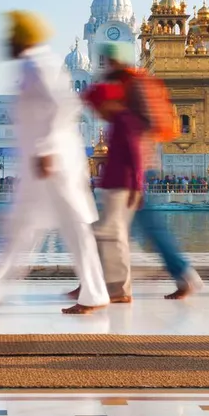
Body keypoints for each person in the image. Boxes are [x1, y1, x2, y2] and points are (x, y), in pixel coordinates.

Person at [0, 11, 109, 315]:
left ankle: (95, 294)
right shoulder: (32, 66)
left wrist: (46, 149)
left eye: (11, 38)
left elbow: (63, 105)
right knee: (20, 226)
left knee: (74, 229)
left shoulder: (38, 65)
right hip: (41, 164)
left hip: (54, 163)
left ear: (21, 39)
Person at [101, 42, 202, 299]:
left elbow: (135, 131)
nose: (106, 66)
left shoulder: (132, 86)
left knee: (124, 229)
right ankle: (177, 275)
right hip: (133, 167)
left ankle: (180, 275)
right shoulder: (131, 84)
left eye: (108, 61)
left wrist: (136, 178)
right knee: (131, 228)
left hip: (134, 168)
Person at [83, 82, 144, 303]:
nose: (96, 112)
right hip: (115, 185)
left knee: (107, 234)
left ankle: (114, 288)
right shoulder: (117, 122)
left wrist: (137, 186)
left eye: (97, 106)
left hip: (122, 186)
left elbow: (135, 154)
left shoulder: (124, 121)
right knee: (112, 236)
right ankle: (113, 287)